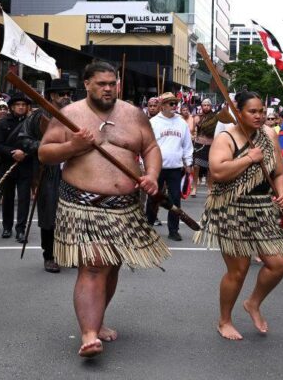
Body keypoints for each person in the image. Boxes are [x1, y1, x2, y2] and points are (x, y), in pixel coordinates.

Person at [39, 61, 169, 358]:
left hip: (125, 206)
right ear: (87, 84)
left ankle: (96, 321)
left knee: (112, 266)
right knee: (94, 264)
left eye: (113, 83)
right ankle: (88, 334)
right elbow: (44, 153)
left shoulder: (133, 114)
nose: (108, 88)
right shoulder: (69, 114)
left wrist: (151, 175)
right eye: (102, 83)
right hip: (83, 203)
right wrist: (72, 146)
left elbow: (150, 148)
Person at [194, 91, 283, 340]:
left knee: (279, 263)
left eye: (262, 111)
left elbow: (279, 172)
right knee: (239, 270)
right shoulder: (226, 138)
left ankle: (253, 303)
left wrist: (282, 193)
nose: (260, 116)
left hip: (262, 208)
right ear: (238, 112)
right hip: (232, 208)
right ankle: (224, 320)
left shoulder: (269, 135)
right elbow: (218, 172)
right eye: (253, 111)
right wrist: (249, 157)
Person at [18, 78, 72, 272]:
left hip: (72, 169)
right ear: (51, 96)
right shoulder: (38, 116)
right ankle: (49, 255)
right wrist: (43, 148)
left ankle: (67, 252)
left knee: (70, 213)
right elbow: (23, 138)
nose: (66, 97)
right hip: (48, 170)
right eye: (61, 94)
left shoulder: (76, 114)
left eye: (68, 94)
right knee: (49, 212)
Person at [150, 92, 193, 241]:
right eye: (171, 103)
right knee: (153, 198)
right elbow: (148, 146)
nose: (175, 106)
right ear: (162, 106)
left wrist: (188, 162)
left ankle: (173, 230)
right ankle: (148, 226)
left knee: (175, 199)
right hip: (157, 167)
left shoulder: (181, 122)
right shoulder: (154, 122)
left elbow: (187, 145)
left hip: (175, 168)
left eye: (175, 103)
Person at [0, 92, 35, 241]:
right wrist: (12, 153)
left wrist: (25, 153)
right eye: (18, 105)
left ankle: (21, 230)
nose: (21, 107)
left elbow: (38, 143)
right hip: (7, 165)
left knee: (24, 199)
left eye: (23, 105)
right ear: (12, 107)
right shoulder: (3, 123)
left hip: (26, 166)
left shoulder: (32, 123)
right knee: (8, 198)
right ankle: (7, 227)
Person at [192, 98, 217, 197]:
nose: (206, 107)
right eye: (204, 105)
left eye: (208, 105)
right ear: (201, 106)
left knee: (210, 168)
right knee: (196, 166)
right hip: (199, 144)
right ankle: (194, 187)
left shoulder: (215, 118)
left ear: (211, 107)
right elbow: (194, 131)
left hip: (211, 144)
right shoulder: (197, 118)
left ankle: (210, 188)